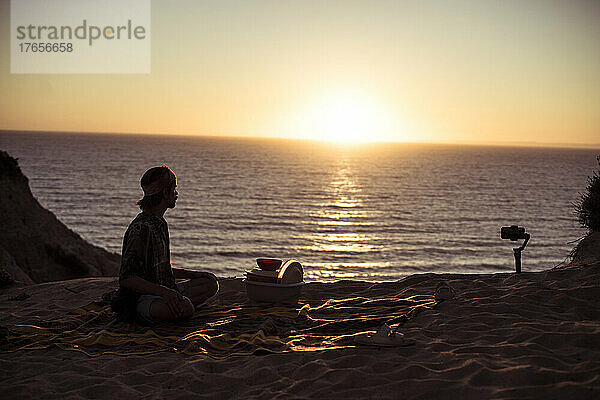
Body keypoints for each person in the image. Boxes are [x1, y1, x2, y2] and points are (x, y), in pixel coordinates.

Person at [111, 166, 218, 324]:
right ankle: (168, 307)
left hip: (165, 289)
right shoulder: (141, 228)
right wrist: (164, 292)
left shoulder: (160, 223)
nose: (176, 193)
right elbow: (127, 278)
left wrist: (194, 275)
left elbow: (161, 269)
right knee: (187, 308)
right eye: (174, 188)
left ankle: (174, 304)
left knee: (211, 284)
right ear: (164, 192)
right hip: (141, 298)